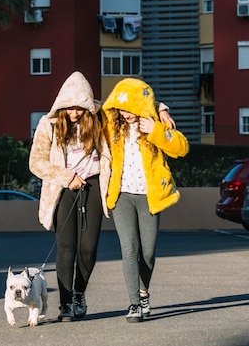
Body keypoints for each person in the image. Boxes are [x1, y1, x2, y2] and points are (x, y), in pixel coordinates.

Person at [101, 77, 189, 323]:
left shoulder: (152, 125)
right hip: (121, 196)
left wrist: (158, 126)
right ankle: (133, 303)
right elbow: (94, 104)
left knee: (148, 253)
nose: (127, 113)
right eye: (123, 108)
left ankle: (143, 293)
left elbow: (181, 148)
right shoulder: (110, 124)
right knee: (129, 249)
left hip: (149, 196)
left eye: (131, 108)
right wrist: (161, 105)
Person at [29, 71, 112, 322]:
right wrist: (66, 177)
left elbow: (130, 104)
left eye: (79, 108)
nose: (74, 113)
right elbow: (36, 162)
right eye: (69, 107)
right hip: (63, 187)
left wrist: (162, 109)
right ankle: (65, 304)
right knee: (66, 247)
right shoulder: (49, 124)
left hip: (94, 185)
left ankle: (79, 294)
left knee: (88, 248)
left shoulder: (101, 118)